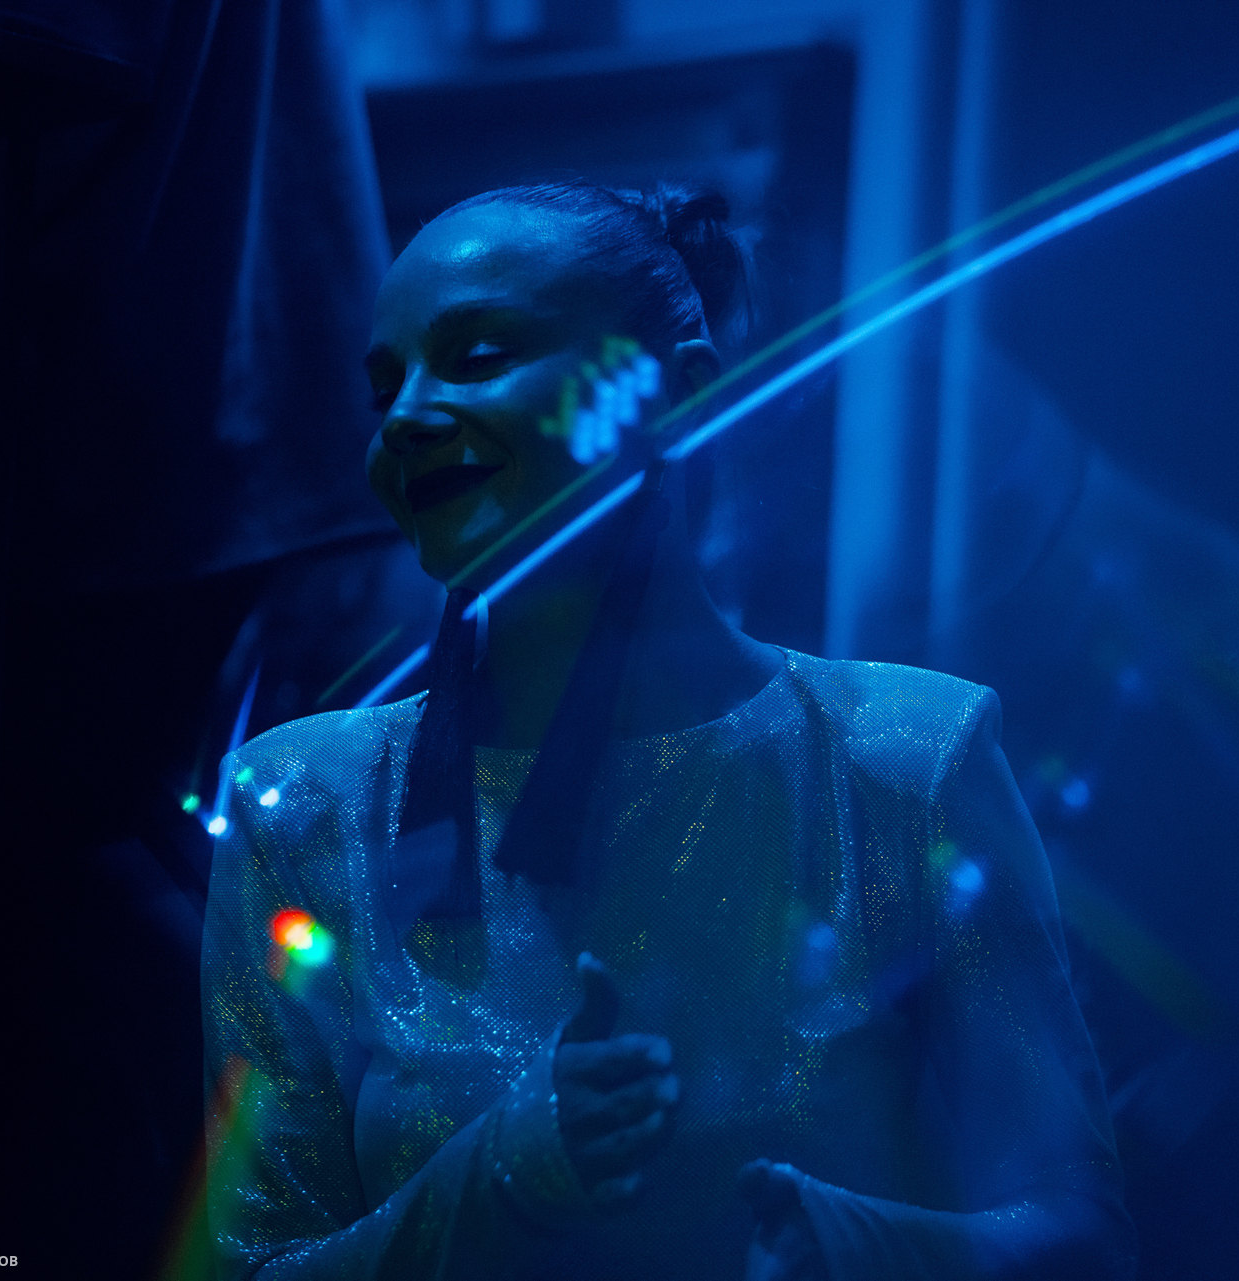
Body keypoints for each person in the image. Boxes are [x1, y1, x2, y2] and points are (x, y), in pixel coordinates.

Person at [201, 179, 1136, 1280]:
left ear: (680, 395)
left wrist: (860, 1248)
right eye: (384, 385)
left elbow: (1081, 1235)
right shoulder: (301, 808)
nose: (404, 417)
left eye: (477, 356)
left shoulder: (905, 757)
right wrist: (501, 1176)